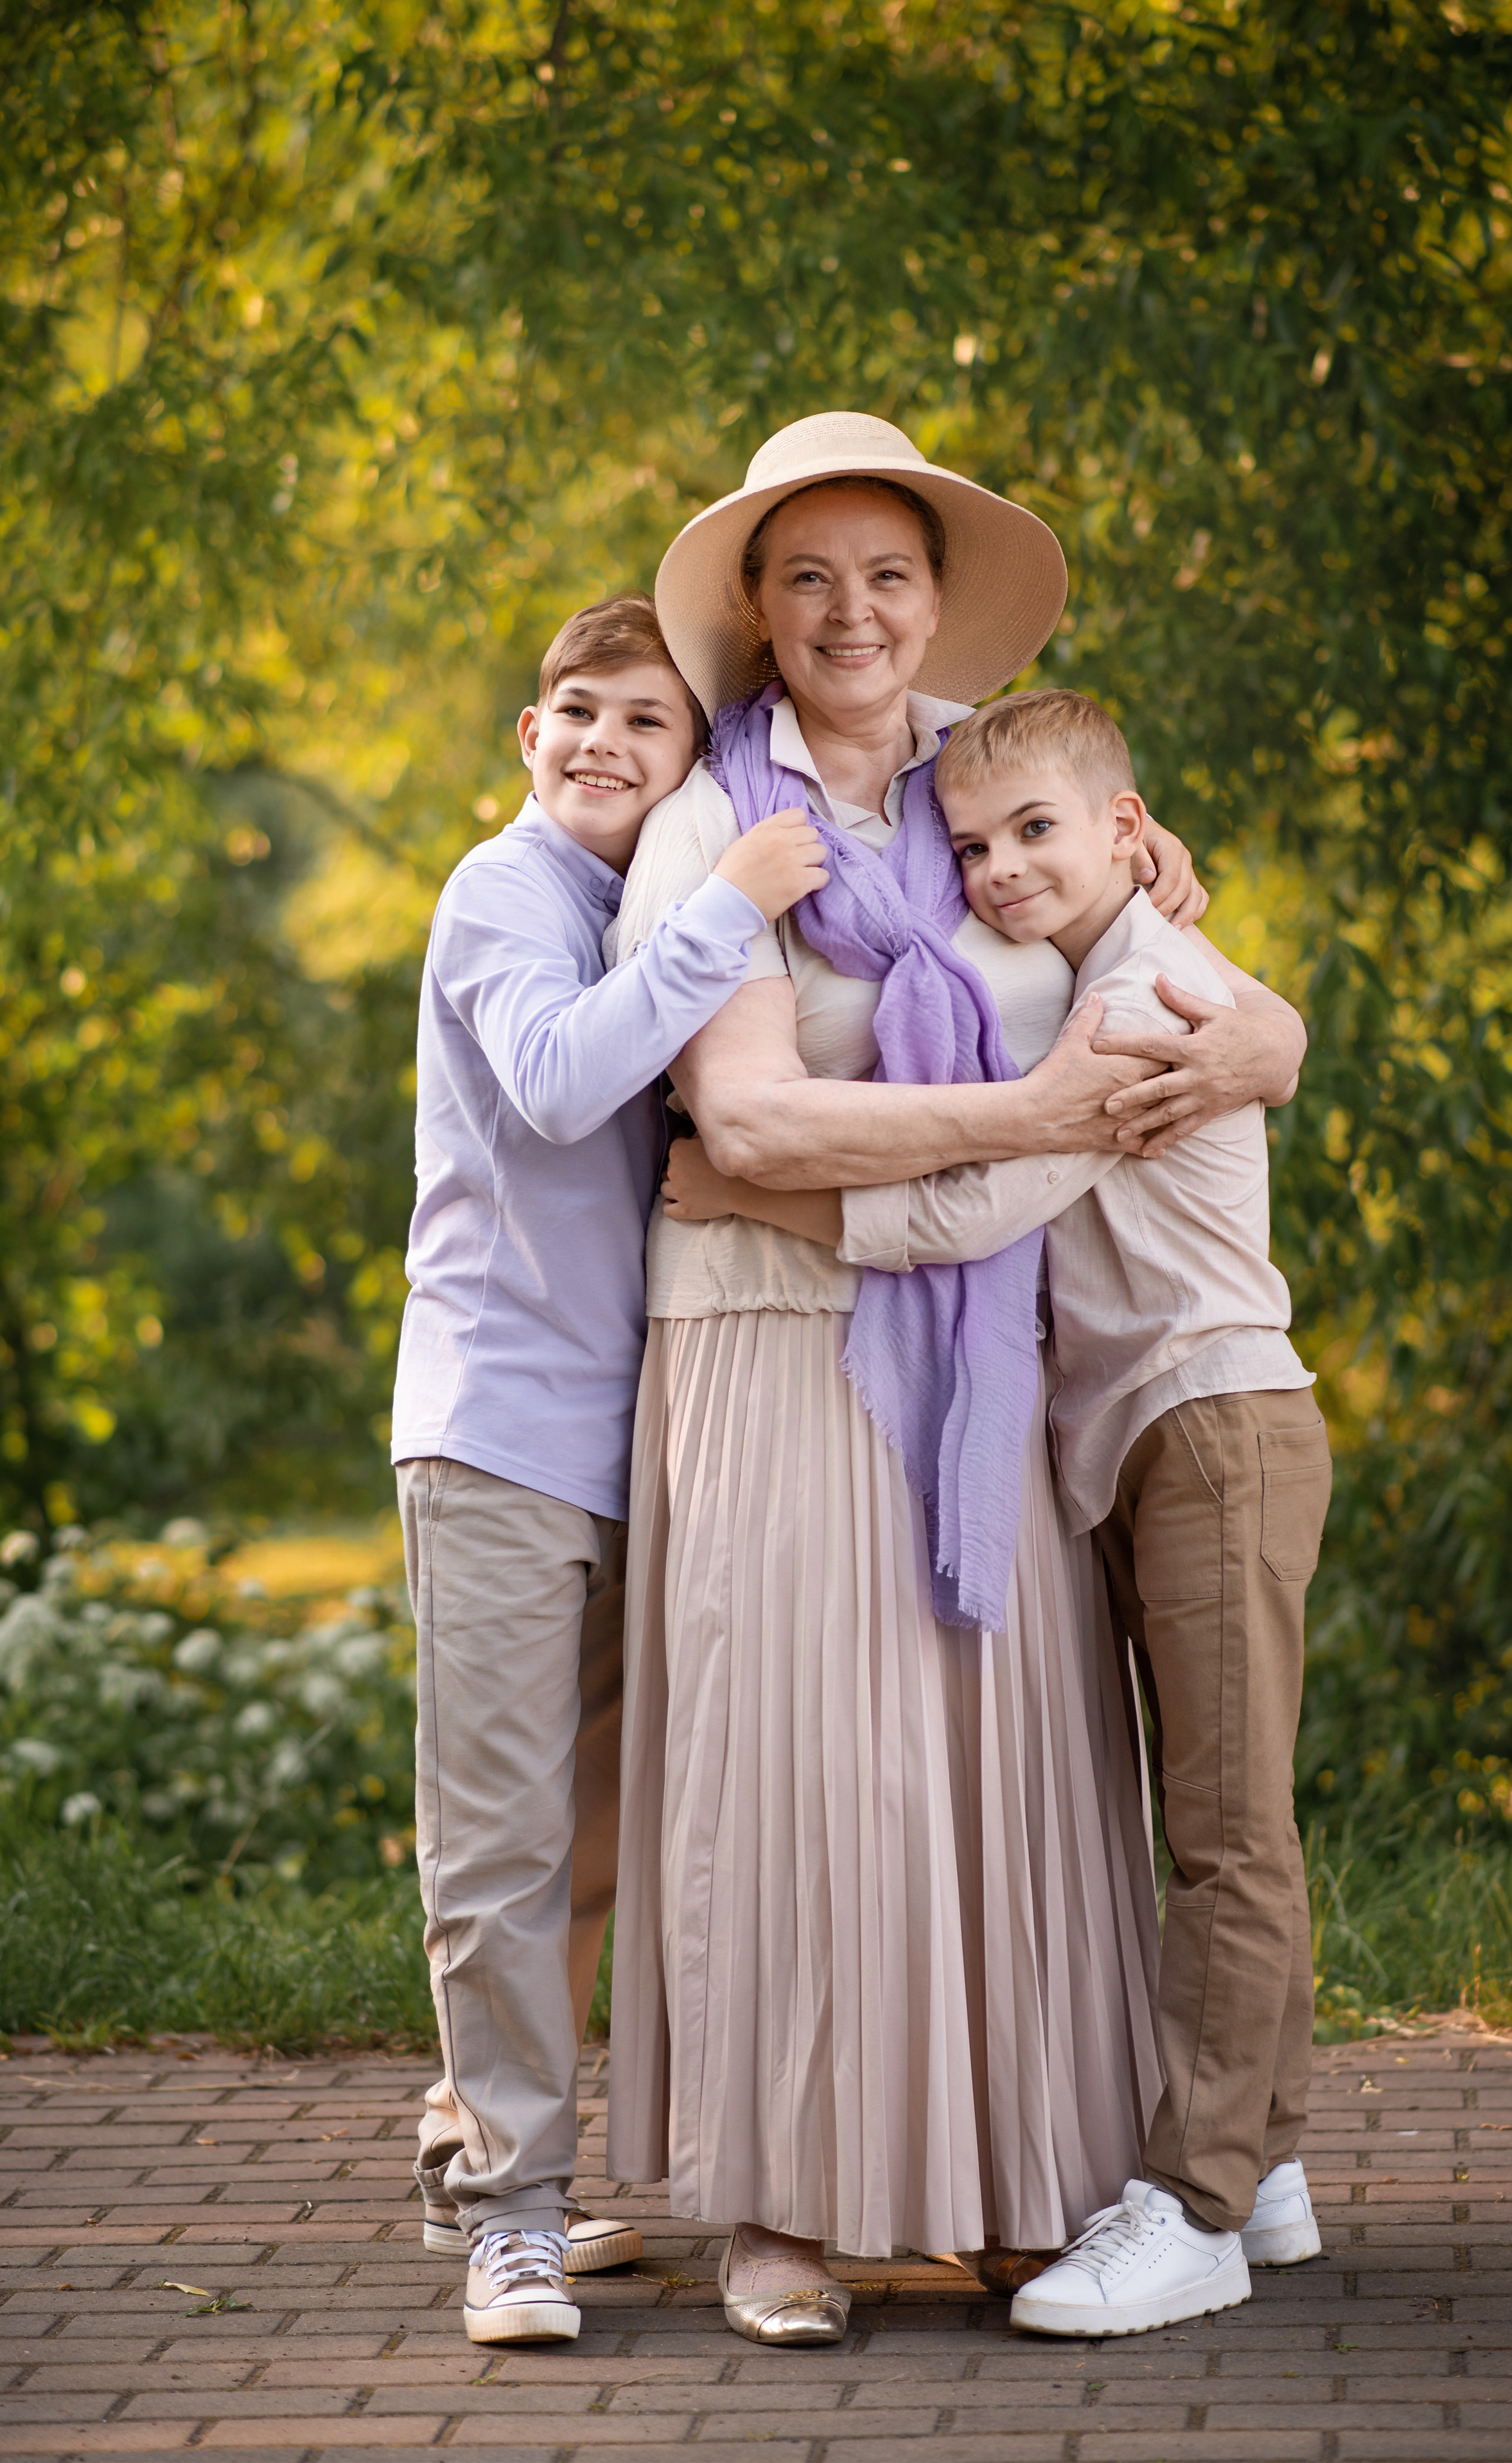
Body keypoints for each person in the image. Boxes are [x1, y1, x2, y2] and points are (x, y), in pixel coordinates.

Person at [606, 412, 1308, 2345]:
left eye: (889, 573)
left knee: (1002, 1776)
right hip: (764, 1329)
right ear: (754, 603)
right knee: (799, 1768)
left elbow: (1195, 979)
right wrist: (1035, 1106)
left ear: (937, 602)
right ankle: (780, 2209)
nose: (853, 611)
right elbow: (743, 1115)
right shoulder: (713, 825)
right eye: (809, 573)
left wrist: (1267, 1046)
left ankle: (1012, 2183)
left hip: (994, 1340)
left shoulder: (989, 784)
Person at [390, 594, 829, 2347]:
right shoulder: (504, 893)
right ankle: (509, 2215)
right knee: (496, 1841)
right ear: (527, 730)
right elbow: (567, 1082)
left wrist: (1132, 838)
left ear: (690, 760)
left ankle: (476, 2156)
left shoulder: (641, 895)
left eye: (649, 725)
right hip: (497, 1429)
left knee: (591, 1848)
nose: (603, 743)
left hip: (645, 1436)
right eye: (578, 709)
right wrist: (731, 906)